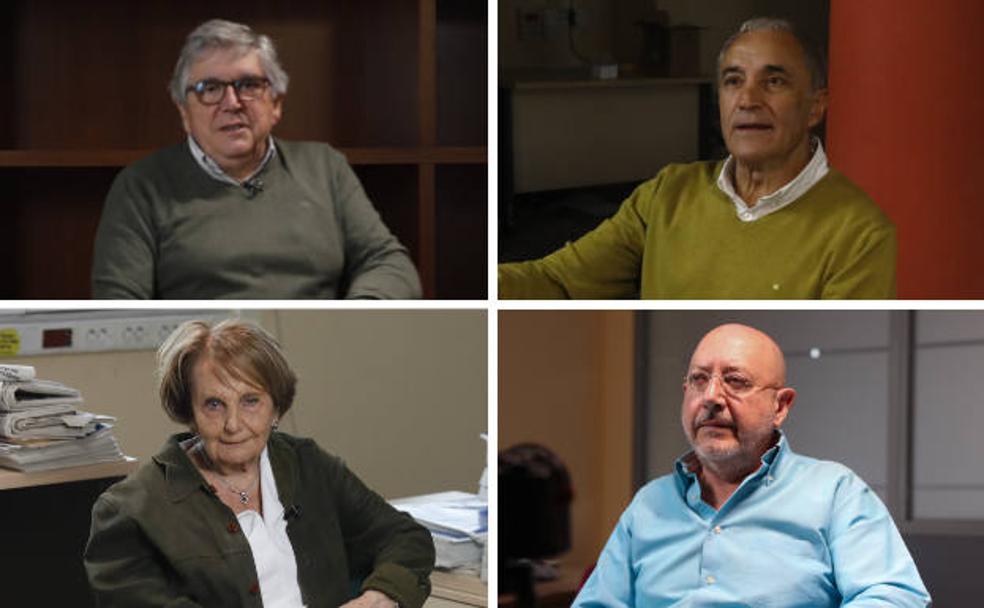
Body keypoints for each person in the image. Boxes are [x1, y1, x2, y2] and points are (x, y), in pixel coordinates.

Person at [499, 18, 895, 299]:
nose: (748, 100)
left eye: (774, 81)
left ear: (815, 107)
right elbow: (559, 281)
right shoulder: (668, 192)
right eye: (733, 81)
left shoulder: (859, 232)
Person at [572, 323, 930, 607]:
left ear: (781, 406)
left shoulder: (835, 492)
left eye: (735, 381)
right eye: (699, 380)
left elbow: (895, 595)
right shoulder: (650, 504)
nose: (711, 397)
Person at [84, 319, 435, 607]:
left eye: (251, 401)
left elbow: (405, 537)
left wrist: (378, 598)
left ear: (276, 407)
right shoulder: (129, 510)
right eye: (214, 405)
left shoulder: (308, 465)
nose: (234, 424)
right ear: (188, 411)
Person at [91, 19, 421, 299]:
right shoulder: (141, 186)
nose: (232, 102)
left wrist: (356, 315)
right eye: (210, 88)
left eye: (249, 84)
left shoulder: (325, 167)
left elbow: (388, 262)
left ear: (275, 103)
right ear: (184, 111)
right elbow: (118, 300)